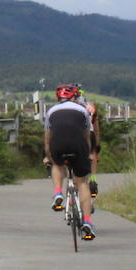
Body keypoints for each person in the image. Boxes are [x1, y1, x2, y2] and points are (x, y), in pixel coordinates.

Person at [43, 83, 97, 241]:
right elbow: (88, 135)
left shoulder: (51, 111)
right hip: (78, 145)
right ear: (74, 97)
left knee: (57, 165)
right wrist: (87, 153)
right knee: (82, 183)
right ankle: (87, 222)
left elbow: (47, 138)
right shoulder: (82, 110)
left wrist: (48, 155)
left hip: (57, 144)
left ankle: (58, 192)